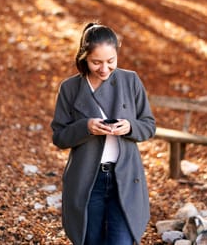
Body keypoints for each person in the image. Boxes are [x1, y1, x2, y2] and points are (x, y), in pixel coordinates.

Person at [51, 22, 156, 245]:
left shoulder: (131, 81)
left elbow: (148, 125)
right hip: (87, 180)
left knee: (121, 241)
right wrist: (85, 126)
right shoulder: (69, 88)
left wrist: (130, 127)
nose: (104, 69)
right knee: (91, 241)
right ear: (83, 57)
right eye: (96, 62)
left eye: (111, 62)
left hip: (125, 178)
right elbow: (59, 137)